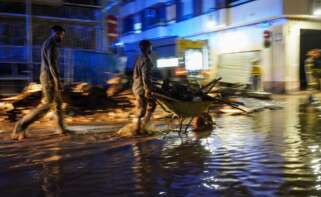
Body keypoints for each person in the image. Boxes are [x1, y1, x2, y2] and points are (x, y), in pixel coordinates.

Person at [11, 25, 71, 140]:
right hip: (49, 77)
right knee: (48, 104)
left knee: (57, 103)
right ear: (56, 33)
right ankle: (21, 125)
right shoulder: (51, 44)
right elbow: (51, 65)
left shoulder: (49, 43)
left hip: (48, 75)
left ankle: (61, 128)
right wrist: (57, 80)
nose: (62, 37)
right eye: (61, 35)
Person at [132, 40, 156, 133]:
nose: (151, 49)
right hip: (141, 88)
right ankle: (136, 130)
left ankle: (144, 126)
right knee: (142, 109)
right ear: (147, 48)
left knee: (152, 104)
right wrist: (147, 90)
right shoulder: (146, 60)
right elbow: (145, 77)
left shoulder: (139, 58)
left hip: (137, 86)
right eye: (151, 47)